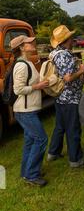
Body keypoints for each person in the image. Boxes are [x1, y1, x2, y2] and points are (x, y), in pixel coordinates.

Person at [11, 35, 49, 187]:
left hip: (27, 110)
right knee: (41, 139)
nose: (32, 42)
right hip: (24, 111)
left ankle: (26, 172)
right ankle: (32, 175)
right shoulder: (21, 65)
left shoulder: (27, 62)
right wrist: (37, 87)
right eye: (28, 42)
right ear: (21, 47)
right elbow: (18, 89)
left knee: (30, 140)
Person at [47, 25, 84, 167]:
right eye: (71, 38)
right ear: (65, 40)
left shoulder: (54, 53)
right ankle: (75, 160)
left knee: (60, 126)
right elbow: (68, 78)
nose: (73, 40)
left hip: (60, 97)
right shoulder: (64, 55)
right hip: (70, 98)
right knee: (73, 128)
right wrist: (82, 70)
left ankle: (53, 152)